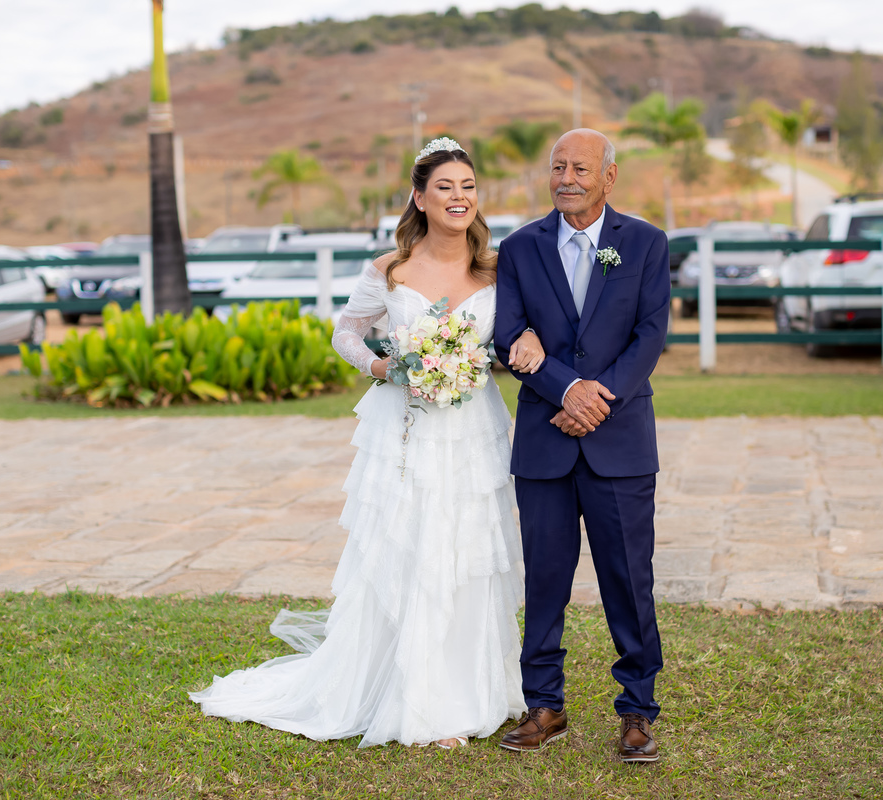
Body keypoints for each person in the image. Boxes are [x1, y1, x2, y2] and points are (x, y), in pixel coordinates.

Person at [190, 138, 546, 750]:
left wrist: (530, 336)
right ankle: (414, 699)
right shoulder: (390, 269)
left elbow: (522, 328)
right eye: (445, 187)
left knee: (467, 548)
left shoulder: (498, 268)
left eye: (468, 187)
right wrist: (389, 369)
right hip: (405, 430)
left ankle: (471, 691)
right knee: (409, 545)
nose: (459, 198)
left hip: (473, 429)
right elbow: (347, 335)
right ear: (419, 197)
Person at [493, 129, 671, 763]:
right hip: (545, 441)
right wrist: (565, 390)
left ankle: (638, 713)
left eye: (581, 167)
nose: (567, 176)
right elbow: (507, 333)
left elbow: (651, 333)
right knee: (543, 579)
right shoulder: (518, 249)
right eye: (558, 166)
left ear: (609, 177)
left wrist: (598, 398)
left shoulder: (645, 244)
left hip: (619, 439)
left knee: (629, 579)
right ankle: (544, 703)